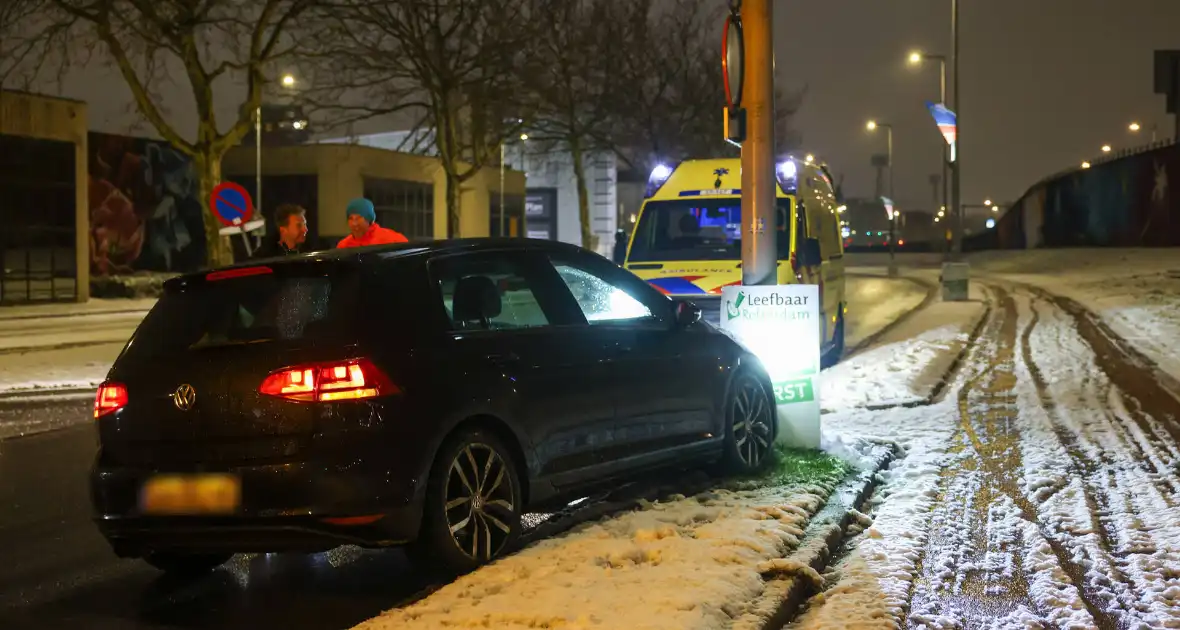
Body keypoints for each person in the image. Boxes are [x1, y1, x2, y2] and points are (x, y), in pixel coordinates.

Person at [336, 198, 408, 248]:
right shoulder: (343, 246)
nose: (354, 223)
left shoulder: (392, 240)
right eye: (351, 218)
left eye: (358, 218)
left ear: (369, 220)